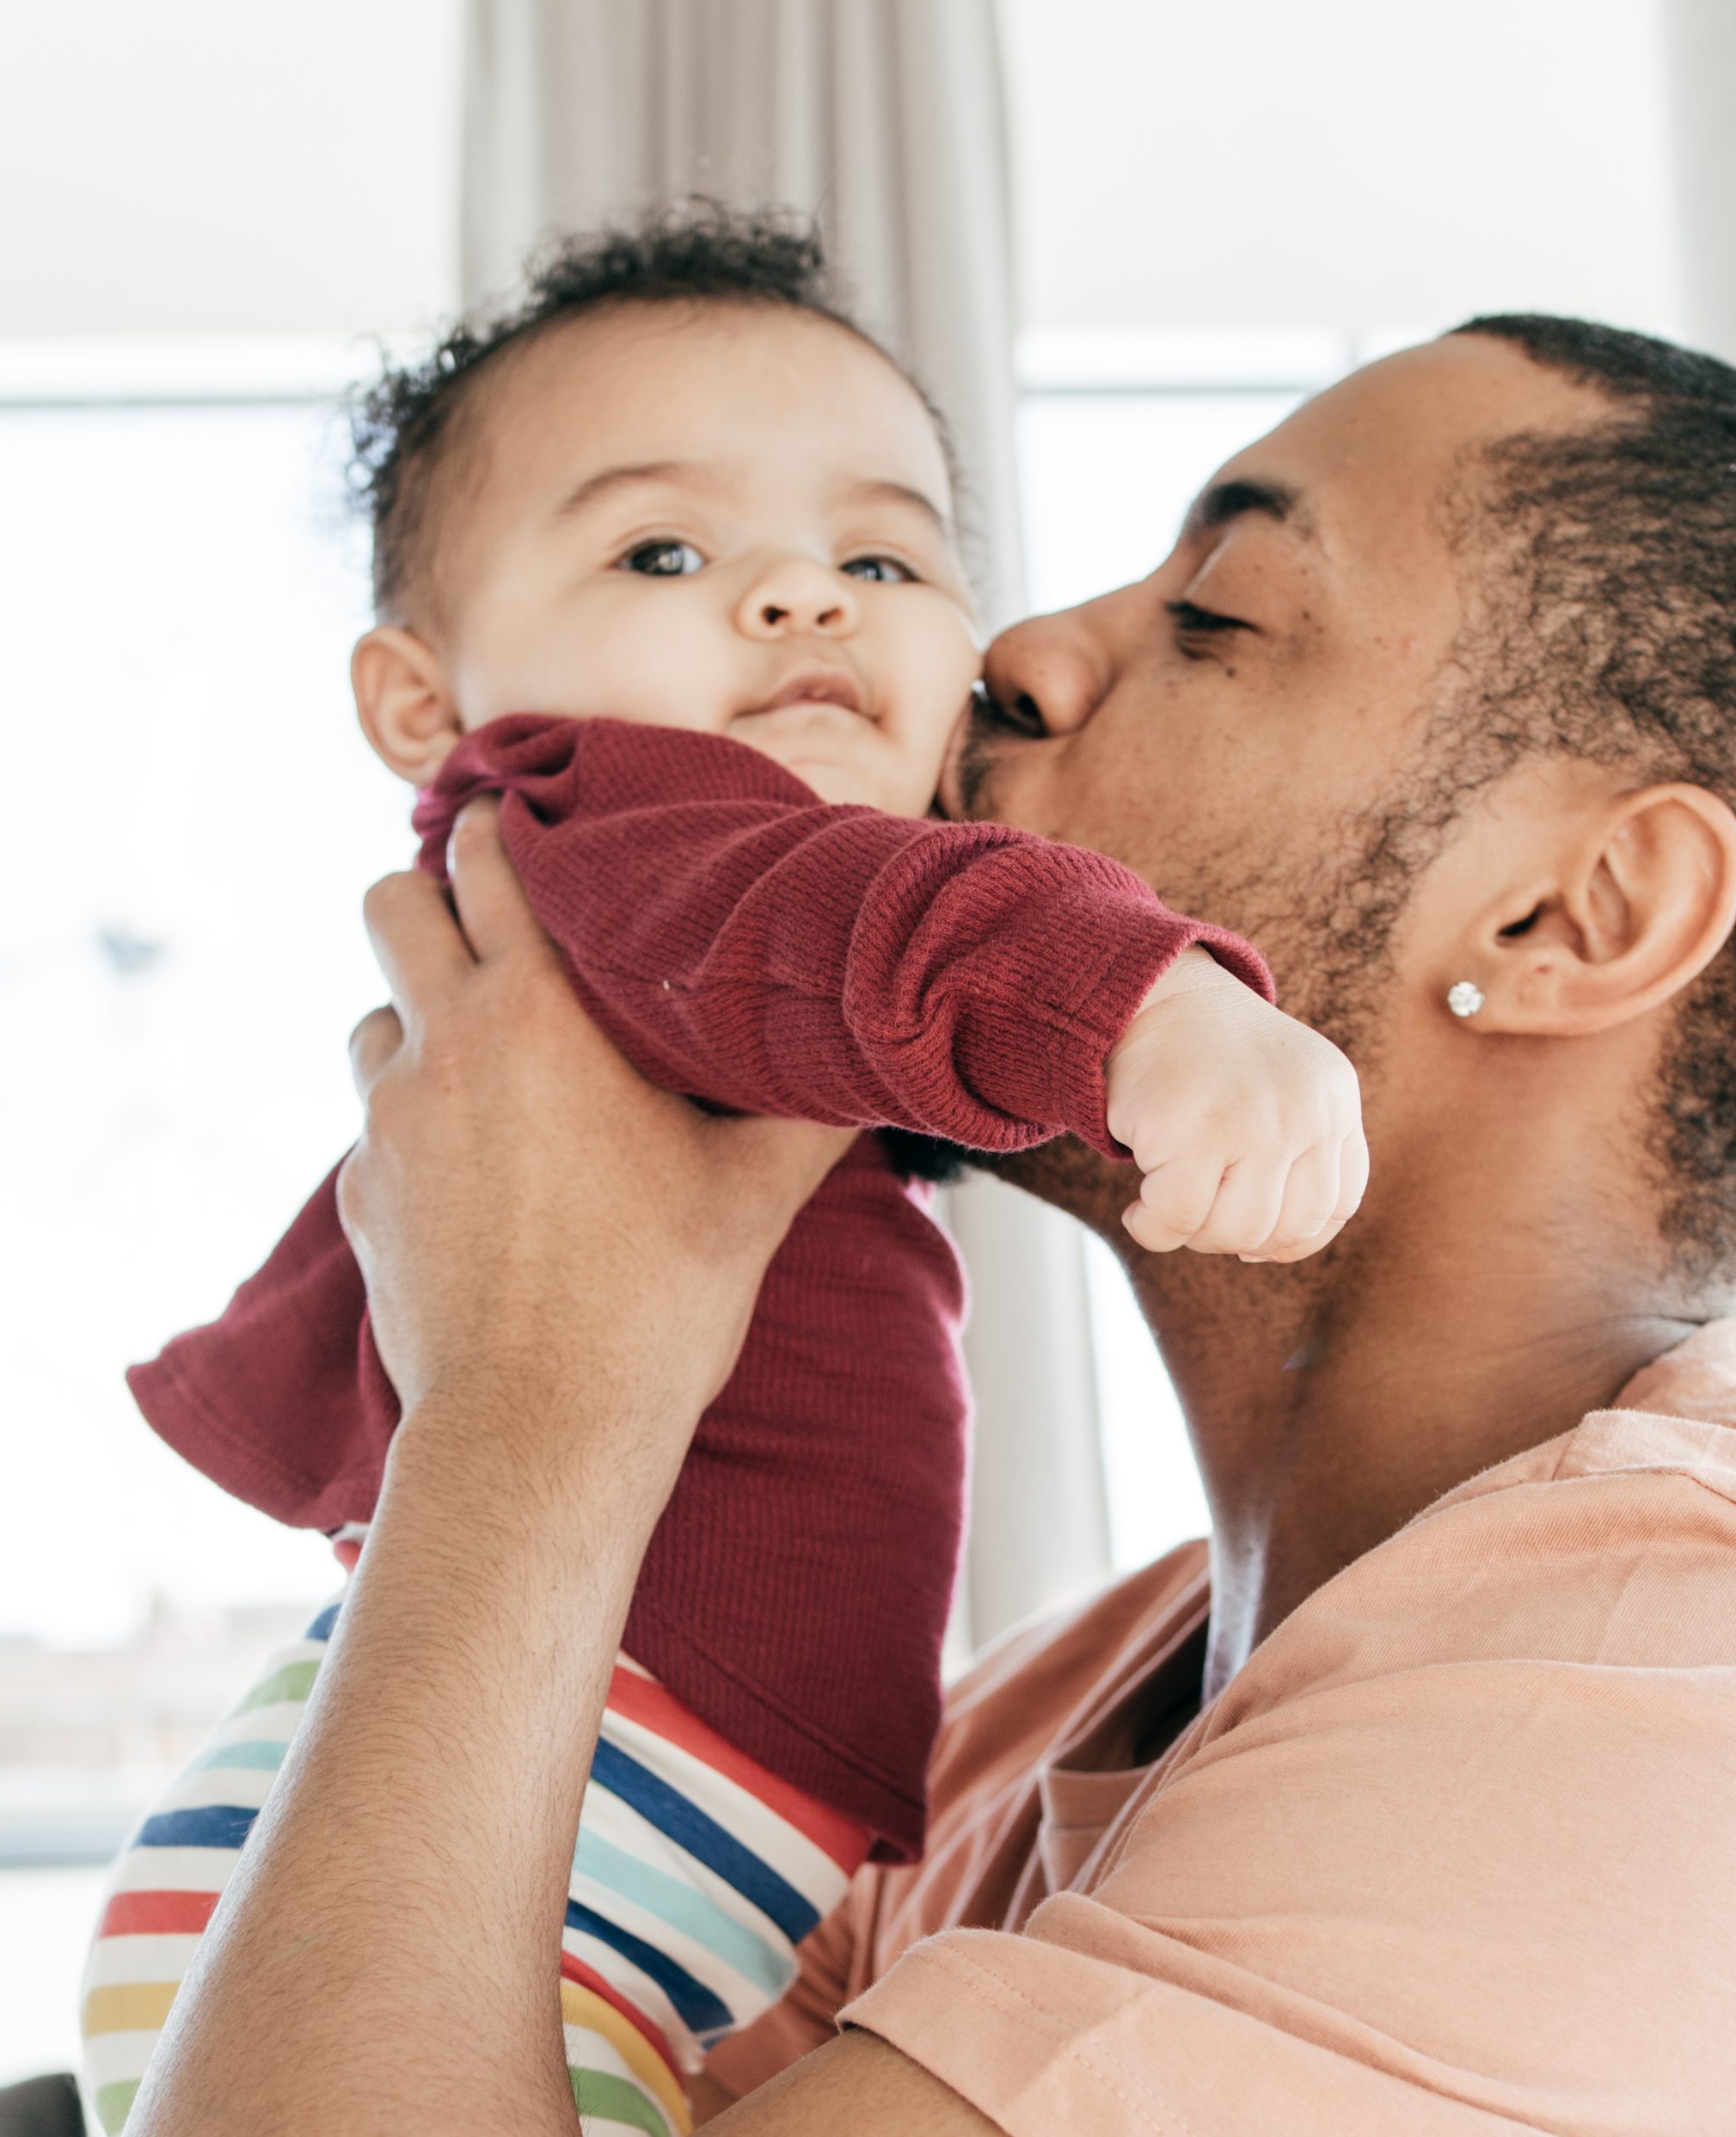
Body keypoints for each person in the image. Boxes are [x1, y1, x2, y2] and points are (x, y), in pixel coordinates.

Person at [123, 316, 1736, 2134]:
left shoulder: (1716, 1690)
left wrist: (530, 1400)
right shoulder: (1036, 1719)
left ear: (1571, 914)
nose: (1020, 649)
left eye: (1214, 619)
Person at [78, 214, 1364, 2137]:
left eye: (884, 556)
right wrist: (1162, 1009)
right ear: (426, 704)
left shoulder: (734, 966)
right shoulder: (610, 821)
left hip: (495, 1815)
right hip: (538, 1814)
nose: (799, 603)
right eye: (664, 552)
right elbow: (857, 916)